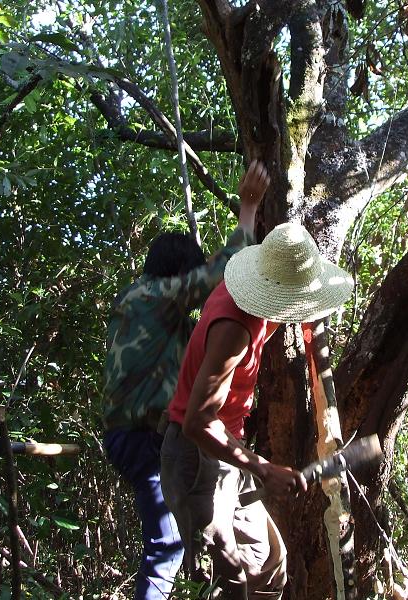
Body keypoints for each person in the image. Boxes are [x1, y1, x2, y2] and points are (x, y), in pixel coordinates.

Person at [101, 161, 271, 600]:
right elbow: (220, 275)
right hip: (143, 438)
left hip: (126, 436)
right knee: (168, 548)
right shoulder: (154, 296)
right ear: (175, 272)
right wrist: (248, 210)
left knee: (181, 542)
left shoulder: (131, 300)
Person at [160, 222, 354, 599]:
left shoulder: (255, 300)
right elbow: (197, 422)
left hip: (227, 449)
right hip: (198, 457)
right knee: (227, 579)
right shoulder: (235, 328)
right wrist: (262, 468)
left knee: (267, 564)